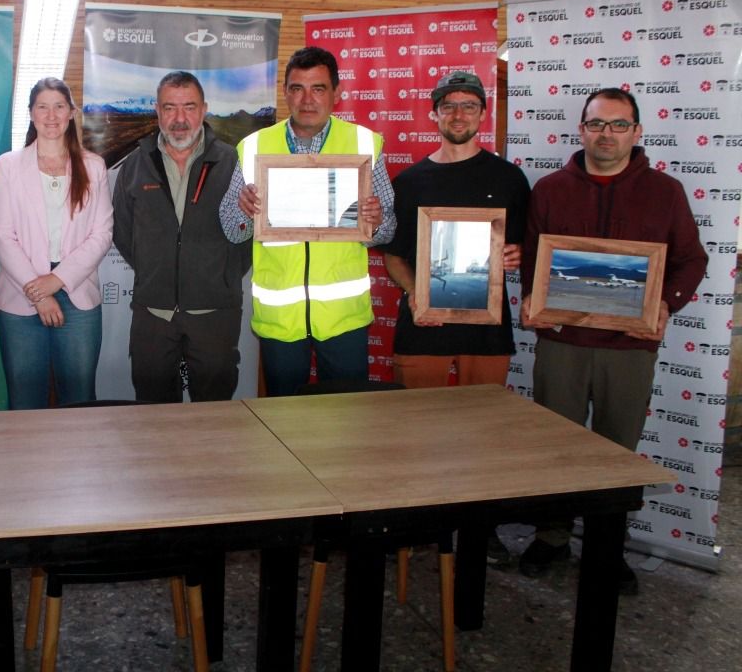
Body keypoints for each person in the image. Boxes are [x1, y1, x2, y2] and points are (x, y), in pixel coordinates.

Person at [518, 87, 707, 593]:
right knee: (554, 448)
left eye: (618, 125)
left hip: (630, 350)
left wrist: (667, 302)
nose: (606, 134)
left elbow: (693, 260)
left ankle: (607, 548)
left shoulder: (666, 192)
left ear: (637, 132)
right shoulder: (552, 189)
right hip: (563, 345)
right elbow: (535, 260)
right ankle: (552, 537)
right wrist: (531, 299)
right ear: (582, 130)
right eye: (597, 124)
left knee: (617, 453)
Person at [222, 46, 395, 396]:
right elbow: (230, 228)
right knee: (284, 424)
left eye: (318, 88)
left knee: (348, 421)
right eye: (297, 88)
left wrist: (374, 223)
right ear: (285, 93)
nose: (307, 99)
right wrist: (242, 209)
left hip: (343, 319)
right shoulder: (255, 146)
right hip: (280, 320)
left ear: (336, 93)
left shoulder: (362, 143)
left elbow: (388, 228)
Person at [383, 71, 530, 388]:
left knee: (484, 428)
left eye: (469, 106)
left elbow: (527, 247)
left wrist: (520, 253)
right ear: (434, 114)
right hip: (423, 327)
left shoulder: (510, 179)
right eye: (449, 106)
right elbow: (393, 258)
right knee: (415, 426)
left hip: (487, 332)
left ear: (483, 114)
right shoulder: (408, 183)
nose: (459, 115)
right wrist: (414, 292)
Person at [111, 71, 252, 402]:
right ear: (157, 111)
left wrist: (221, 276)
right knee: (154, 418)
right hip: (154, 316)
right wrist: (155, 268)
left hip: (214, 315)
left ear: (204, 110)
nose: (179, 119)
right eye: (169, 108)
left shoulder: (233, 162)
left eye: (188, 107)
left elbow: (247, 234)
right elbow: (123, 230)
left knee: (213, 416)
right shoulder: (136, 164)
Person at [0, 78, 113, 409]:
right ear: (31, 114)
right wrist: (39, 292)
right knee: (25, 399)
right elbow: (2, 233)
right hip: (21, 297)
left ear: (71, 113)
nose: (51, 115)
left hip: (77, 295)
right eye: (42, 107)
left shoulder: (93, 166)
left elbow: (102, 234)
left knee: (80, 398)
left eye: (59, 106)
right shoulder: (9, 166)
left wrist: (56, 281)